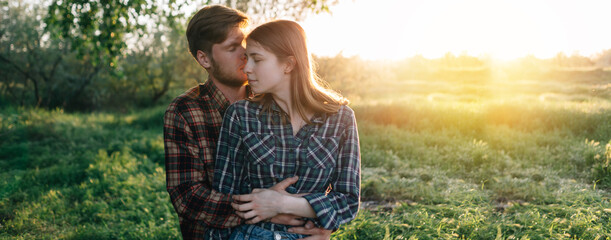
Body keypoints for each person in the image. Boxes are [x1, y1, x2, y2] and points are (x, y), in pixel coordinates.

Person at [164, 5, 331, 239]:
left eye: (245, 44)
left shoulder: (275, 95)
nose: (245, 54)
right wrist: (264, 210)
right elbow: (187, 196)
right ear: (204, 58)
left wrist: (319, 224)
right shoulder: (185, 110)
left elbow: (313, 171)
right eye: (233, 48)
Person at [214, 20, 361, 240]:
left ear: (288, 64)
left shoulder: (341, 118)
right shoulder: (240, 115)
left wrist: (282, 203)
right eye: (247, 59)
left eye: (257, 59)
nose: (246, 68)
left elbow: (348, 201)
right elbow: (225, 195)